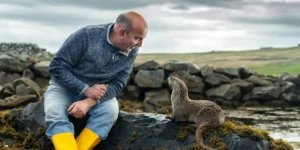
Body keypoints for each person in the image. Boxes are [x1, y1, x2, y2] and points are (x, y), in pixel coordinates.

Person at [44, 11, 148, 150]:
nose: (140, 44)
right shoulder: (86, 35)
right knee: (54, 113)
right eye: (137, 38)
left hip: (98, 94)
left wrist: (89, 101)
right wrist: (85, 90)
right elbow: (57, 67)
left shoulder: (131, 49)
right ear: (122, 32)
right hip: (63, 88)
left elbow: (118, 83)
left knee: (110, 113)